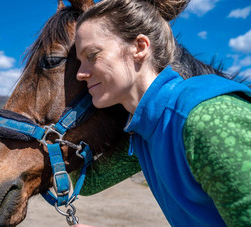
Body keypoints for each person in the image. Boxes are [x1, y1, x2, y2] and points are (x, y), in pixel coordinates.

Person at [72, 0, 251, 226]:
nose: (79, 74)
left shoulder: (205, 119)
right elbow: (86, 182)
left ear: (139, 47)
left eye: (92, 55)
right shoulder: (145, 132)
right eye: (79, 62)